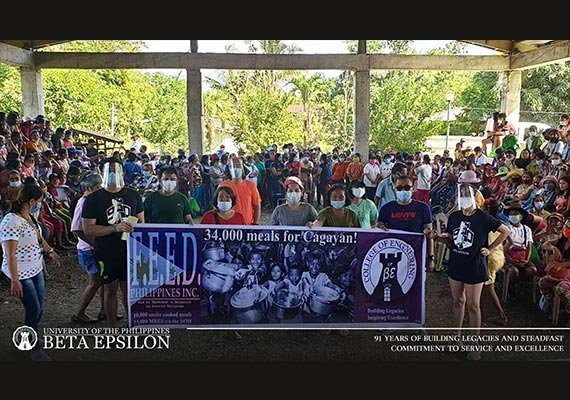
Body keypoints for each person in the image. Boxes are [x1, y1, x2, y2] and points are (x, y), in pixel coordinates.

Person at [437, 183, 509, 360]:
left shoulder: (483, 218)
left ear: (475, 197)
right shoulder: (454, 217)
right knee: (457, 301)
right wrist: (440, 238)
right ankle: (455, 339)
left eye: (467, 194)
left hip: (475, 265)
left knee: (473, 305)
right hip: (456, 263)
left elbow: (504, 231)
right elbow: (452, 239)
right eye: (461, 195)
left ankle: (474, 344)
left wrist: (490, 249)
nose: (464, 198)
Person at [1, 184, 61, 361]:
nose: (40, 205)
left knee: (39, 307)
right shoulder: (11, 221)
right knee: (33, 308)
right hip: (20, 272)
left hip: (36, 268)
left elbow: (38, 238)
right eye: (39, 202)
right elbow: (10, 255)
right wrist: (15, 280)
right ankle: (34, 348)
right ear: (32, 201)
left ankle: (26, 337)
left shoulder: (28, 216)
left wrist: (50, 251)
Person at [82, 158, 144, 328]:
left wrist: (134, 228)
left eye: (115, 170)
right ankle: (112, 328)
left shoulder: (133, 195)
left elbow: (142, 223)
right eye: (109, 171)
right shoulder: (93, 199)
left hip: (129, 250)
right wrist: (113, 228)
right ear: (103, 173)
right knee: (110, 289)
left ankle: (132, 323)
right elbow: (88, 229)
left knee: (128, 289)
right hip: (106, 251)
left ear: (122, 172)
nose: (112, 174)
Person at [377, 175, 435, 272]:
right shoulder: (386, 208)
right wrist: (380, 227)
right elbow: (379, 226)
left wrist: (431, 257)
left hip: (416, 255)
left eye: (407, 187)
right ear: (395, 189)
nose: (403, 190)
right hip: (393, 254)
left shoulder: (423, 208)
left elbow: (430, 234)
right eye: (399, 188)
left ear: (413, 189)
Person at [71, 173, 106, 324]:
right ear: (89, 188)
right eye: (97, 187)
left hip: (94, 247)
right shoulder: (84, 203)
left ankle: (104, 310)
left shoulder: (93, 201)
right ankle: (80, 313)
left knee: (103, 280)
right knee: (95, 282)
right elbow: (76, 229)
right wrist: (93, 243)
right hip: (88, 249)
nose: (100, 189)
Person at [218, 157, 261, 225]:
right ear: (229, 168)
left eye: (238, 165)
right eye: (232, 166)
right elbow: (217, 206)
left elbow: (257, 205)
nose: (235, 168)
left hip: (246, 224)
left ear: (243, 168)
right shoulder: (223, 185)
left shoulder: (251, 186)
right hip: (227, 225)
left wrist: (255, 223)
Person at [503, 201, 537, 288]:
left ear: (521, 216)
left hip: (523, 257)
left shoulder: (527, 229)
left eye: (515, 214)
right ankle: (510, 288)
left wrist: (526, 260)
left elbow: (529, 247)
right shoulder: (506, 228)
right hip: (508, 257)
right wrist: (511, 260)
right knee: (513, 271)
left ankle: (523, 288)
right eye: (511, 214)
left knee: (532, 270)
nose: (513, 216)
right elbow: (503, 247)